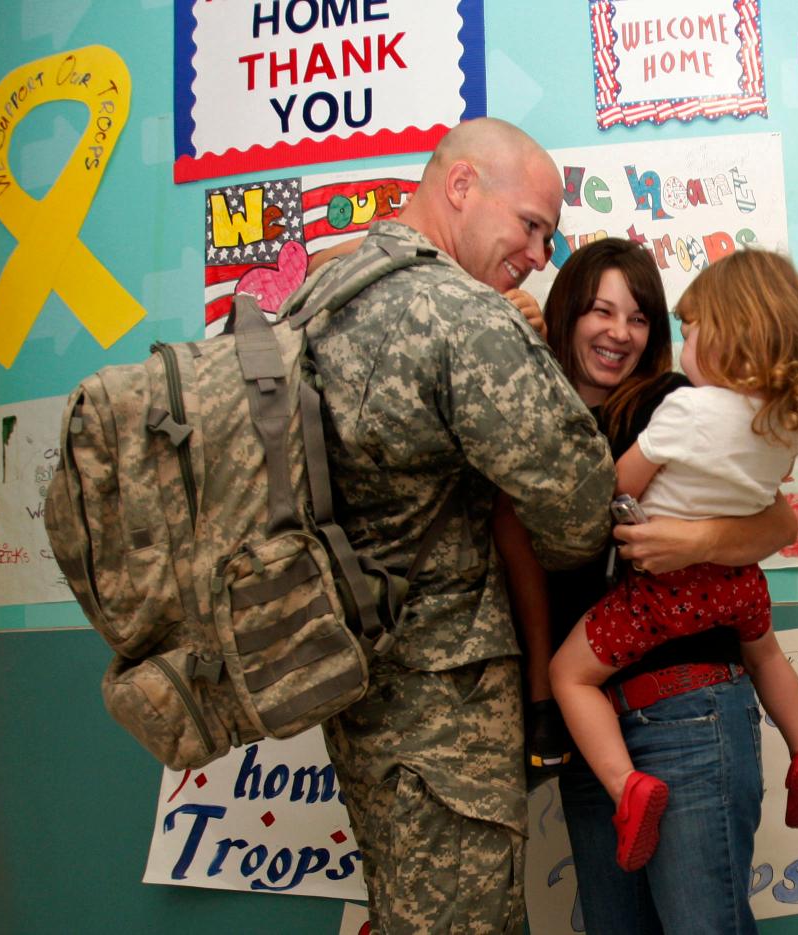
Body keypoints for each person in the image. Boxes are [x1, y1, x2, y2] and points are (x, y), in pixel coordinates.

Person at [301, 118, 615, 933]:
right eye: (533, 225)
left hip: (356, 694)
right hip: (445, 709)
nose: (541, 255)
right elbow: (580, 510)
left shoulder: (319, 297)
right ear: (463, 186)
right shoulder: (460, 315)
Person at [536, 239, 798, 934]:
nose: (619, 332)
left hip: (682, 712)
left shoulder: (675, 401)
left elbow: (781, 519)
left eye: (640, 317)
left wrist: (698, 540)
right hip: (596, 735)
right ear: (563, 315)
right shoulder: (526, 413)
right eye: (599, 310)